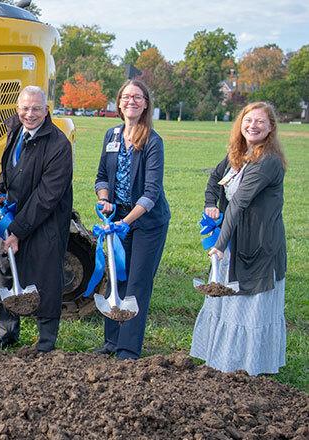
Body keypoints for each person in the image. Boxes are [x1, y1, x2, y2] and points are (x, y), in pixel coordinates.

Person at [190, 102, 287, 375]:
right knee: (228, 301)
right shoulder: (239, 153)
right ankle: (222, 361)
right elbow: (214, 179)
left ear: (270, 128)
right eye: (248, 120)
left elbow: (239, 203)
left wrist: (219, 245)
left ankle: (248, 366)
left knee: (248, 302)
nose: (252, 126)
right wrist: (211, 203)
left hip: (258, 242)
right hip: (234, 238)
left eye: (260, 122)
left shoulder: (267, 160)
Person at [0, 86, 73, 352]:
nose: (29, 114)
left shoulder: (58, 145)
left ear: (46, 110)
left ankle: (45, 341)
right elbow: (10, 167)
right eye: (24, 108)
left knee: (44, 277)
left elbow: (47, 196)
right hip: (16, 216)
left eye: (36, 109)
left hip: (46, 222)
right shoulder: (16, 128)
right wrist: (0, 187)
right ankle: (7, 333)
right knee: (8, 272)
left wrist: (17, 231)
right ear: (17, 108)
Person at [93, 79, 170, 360]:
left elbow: (151, 193)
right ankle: (111, 342)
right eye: (126, 97)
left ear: (146, 103)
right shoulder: (111, 135)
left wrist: (126, 222)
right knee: (116, 277)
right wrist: (104, 200)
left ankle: (127, 348)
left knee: (137, 282)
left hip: (147, 222)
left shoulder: (152, 141)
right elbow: (102, 176)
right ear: (119, 102)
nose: (131, 101)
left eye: (137, 97)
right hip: (118, 217)